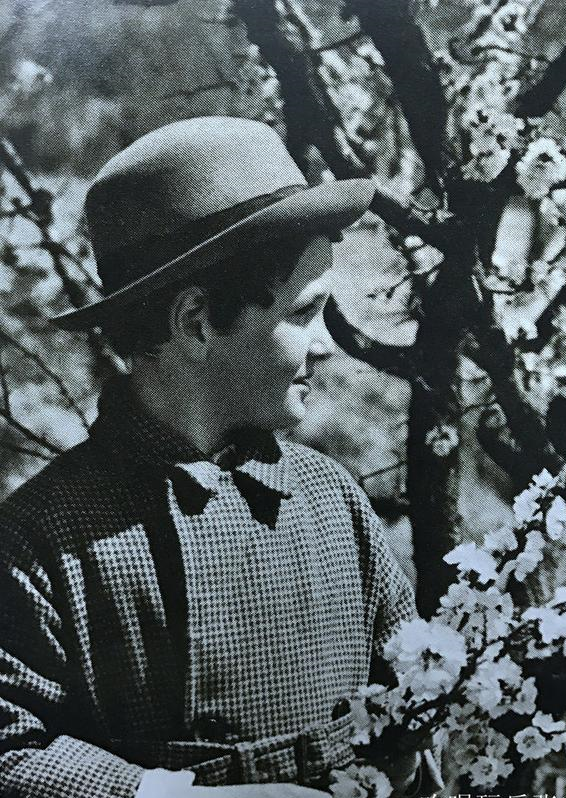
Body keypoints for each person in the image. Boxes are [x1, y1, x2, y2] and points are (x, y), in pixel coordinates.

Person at [0, 117, 441, 798]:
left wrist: (408, 754)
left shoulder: (332, 500)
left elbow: (412, 691)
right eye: (304, 314)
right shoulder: (42, 541)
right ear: (197, 322)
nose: (327, 346)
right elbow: (8, 751)